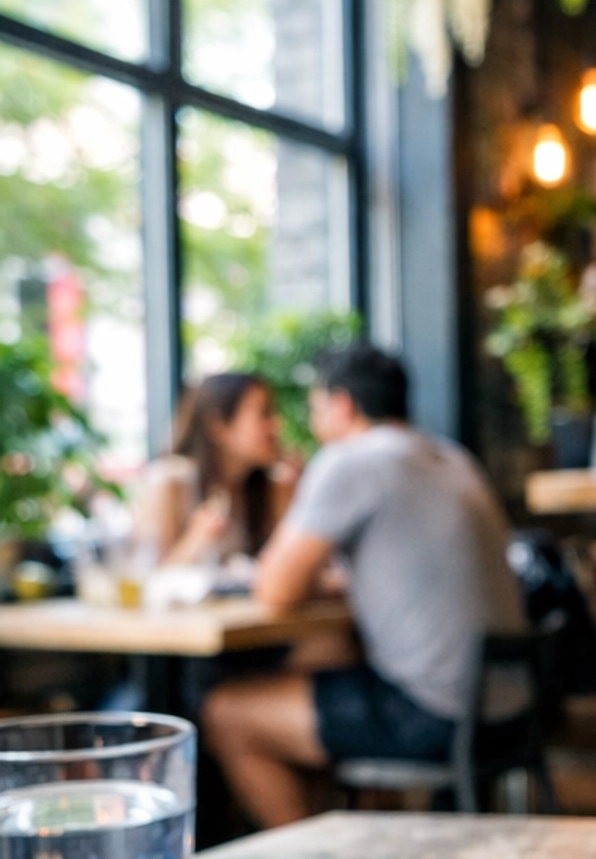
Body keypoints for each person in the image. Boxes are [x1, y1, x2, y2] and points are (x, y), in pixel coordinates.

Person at [200, 343, 524, 829]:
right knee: (324, 651)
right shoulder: (452, 458)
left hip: (438, 714)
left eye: (313, 409)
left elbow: (273, 588)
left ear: (342, 405)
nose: (310, 425)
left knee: (227, 714)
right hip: (511, 708)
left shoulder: (351, 461)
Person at [135, 372, 296, 566]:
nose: (277, 425)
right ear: (218, 426)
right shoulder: (168, 483)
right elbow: (145, 579)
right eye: (264, 413)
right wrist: (196, 540)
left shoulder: (274, 488)